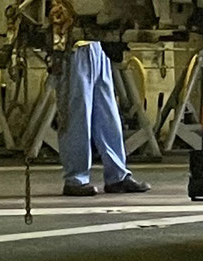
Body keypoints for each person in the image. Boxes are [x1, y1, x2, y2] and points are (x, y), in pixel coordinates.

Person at [62, 35, 150, 197]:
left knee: (108, 117)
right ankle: (75, 179)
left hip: (99, 47)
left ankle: (117, 177)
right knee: (78, 118)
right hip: (73, 49)